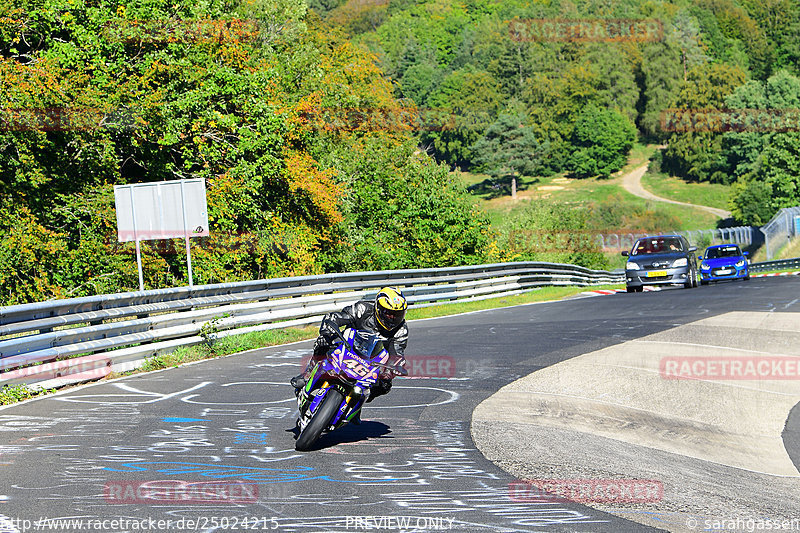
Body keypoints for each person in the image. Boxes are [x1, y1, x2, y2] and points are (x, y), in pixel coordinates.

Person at [290, 287, 409, 405]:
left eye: (397, 314)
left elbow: (397, 353)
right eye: (389, 313)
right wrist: (328, 329)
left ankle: (357, 402)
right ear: (378, 308)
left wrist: (389, 372)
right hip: (346, 347)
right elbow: (337, 317)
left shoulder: (401, 330)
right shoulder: (362, 309)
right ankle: (308, 374)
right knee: (323, 341)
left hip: (370, 363)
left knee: (385, 385)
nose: (393, 318)